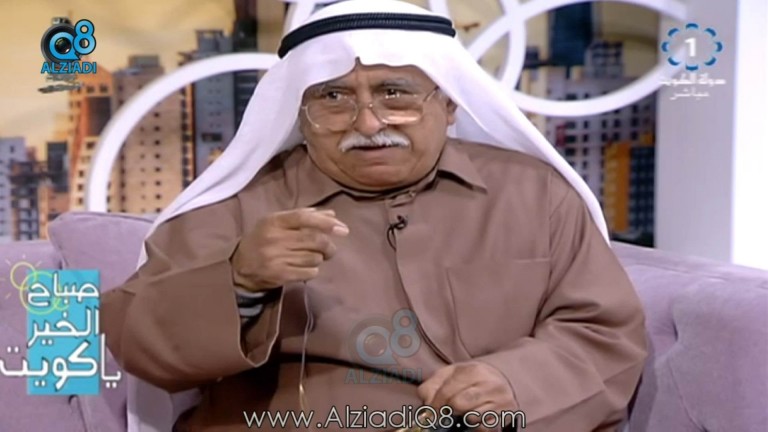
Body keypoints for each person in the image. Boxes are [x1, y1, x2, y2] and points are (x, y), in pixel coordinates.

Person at [100, 1, 647, 431]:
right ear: (300, 114)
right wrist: (239, 280)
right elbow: (134, 339)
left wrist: (517, 384)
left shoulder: (535, 196)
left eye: (395, 94)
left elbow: (603, 332)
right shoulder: (240, 205)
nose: (367, 122)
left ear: (448, 104)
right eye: (334, 98)